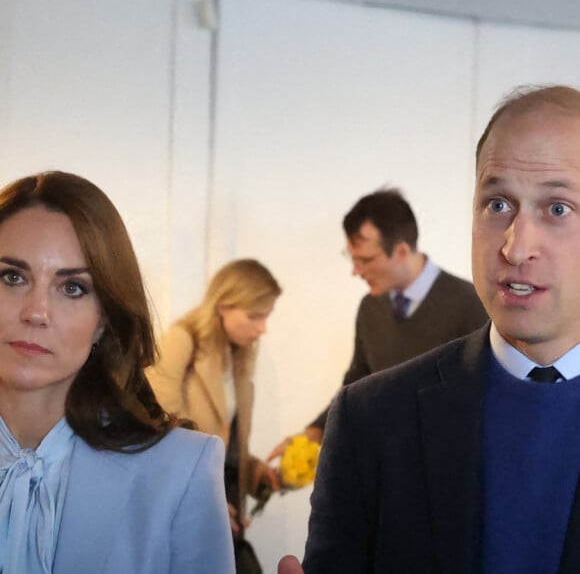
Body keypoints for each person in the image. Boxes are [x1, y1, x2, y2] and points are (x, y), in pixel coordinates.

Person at [278, 83, 580, 574]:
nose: (515, 246)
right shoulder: (368, 420)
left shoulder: (456, 301)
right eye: (498, 204)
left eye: (557, 208)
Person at [0, 171, 234, 573]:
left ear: (105, 319)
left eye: (72, 288)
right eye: (12, 277)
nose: (36, 312)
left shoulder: (180, 471)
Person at [269, 188, 488, 458]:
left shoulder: (470, 303)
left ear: (401, 251)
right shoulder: (370, 307)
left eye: (365, 260)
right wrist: (315, 432)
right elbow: (358, 382)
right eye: (352, 259)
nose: (356, 271)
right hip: (384, 468)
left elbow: (485, 398)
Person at [147, 258, 282, 572]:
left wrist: (257, 472)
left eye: (266, 317)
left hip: (226, 501)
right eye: (254, 317)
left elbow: (227, 444)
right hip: (190, 504)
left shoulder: (238, 355)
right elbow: (159, 428)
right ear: (223, 306)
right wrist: (207, 496)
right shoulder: (184, 340)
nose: (262, 328)